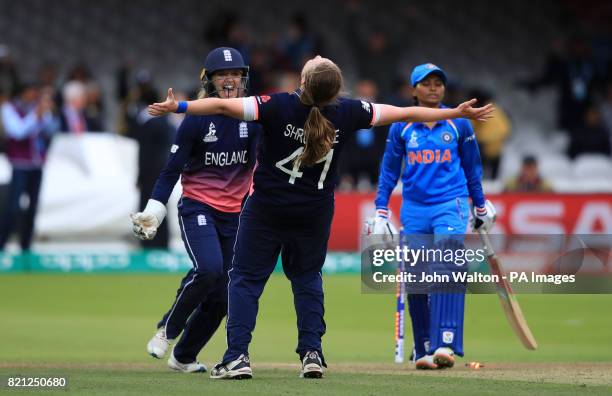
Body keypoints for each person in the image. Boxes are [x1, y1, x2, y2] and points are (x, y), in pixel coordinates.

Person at [147, 55, 494, 379]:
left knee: (246, 280)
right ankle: (312, 353)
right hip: (314, 212)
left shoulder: (278, 105)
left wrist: (177, 106)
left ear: (304, 81)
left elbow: (221, 104)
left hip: (266, 209)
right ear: (335, 89)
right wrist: (455, 114)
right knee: (307, 280)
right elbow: (407, 114)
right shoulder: (349, 111)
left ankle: (237, 356)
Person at [131, 47, 261, 373]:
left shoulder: (254, 120)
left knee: (224, 294)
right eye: (222, 75)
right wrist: (154, 211)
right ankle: (167, 328)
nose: (230, 80)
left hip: (235, 216)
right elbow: (170, 171)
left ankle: (184, 356)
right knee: (209, 269)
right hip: (197, 207)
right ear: (210, 80)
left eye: (235, 74)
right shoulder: (196, 121)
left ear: (244, 79)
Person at [370, 63, 496, 370]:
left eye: (439, 83)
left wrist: (480, 207)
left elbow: (472, 169)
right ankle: (424, 347)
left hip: (449, 203)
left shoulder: (459, 123)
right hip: (414, 208)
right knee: (417, 278)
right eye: (426, 83)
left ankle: (446, 342)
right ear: (413, 90)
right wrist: (380, 210)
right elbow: (389, 170)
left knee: (447, 263)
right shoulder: (402, 125)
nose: (433, 88)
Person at [0, 82, 58, 251]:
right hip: (20, 165)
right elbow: (18, 132)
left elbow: (51, 129)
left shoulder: (38, 109)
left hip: (36, 164)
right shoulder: (9, 109)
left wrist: (47, 113)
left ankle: (26, 244)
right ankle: (2, 242)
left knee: (33, 207)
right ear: (24, 93)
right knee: (13, 205)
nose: (34, 97)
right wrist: (35, 116)